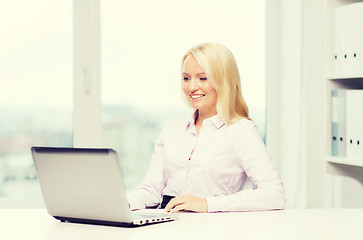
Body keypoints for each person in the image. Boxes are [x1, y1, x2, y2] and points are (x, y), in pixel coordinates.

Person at [127, 43, 286, 213]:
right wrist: (127, 202)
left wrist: (207, 204)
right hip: (167, 220)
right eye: (186, 78)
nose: (191, 87)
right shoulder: (172, 130)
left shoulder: (241, 131)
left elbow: (274, 194)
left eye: (202, 78)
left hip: (213, 225)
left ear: (223, 81)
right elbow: (152, 188)